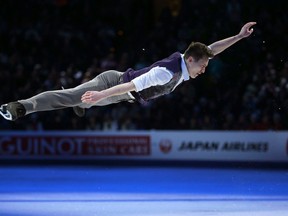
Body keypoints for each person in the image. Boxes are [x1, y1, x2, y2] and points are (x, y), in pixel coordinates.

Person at [0, 22, 256, 121]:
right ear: (190, 59)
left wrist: (238, 36)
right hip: (115, 85)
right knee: (69, 98)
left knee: (79, 100)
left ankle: (85, 105)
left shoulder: (185, 64)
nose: (204, 69)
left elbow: (211, 49)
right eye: (202, 65)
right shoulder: (166, 72)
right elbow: (130, 87)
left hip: (119, 93)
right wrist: (100, 97)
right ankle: (20, 106)